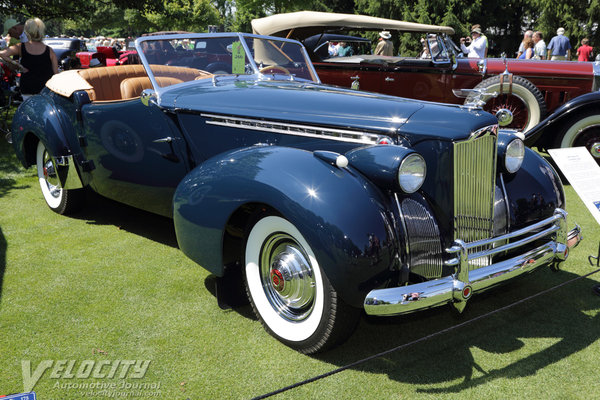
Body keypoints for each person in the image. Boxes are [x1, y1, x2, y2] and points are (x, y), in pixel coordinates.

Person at [0, 18, 58, 95]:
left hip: (27, 88)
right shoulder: (50, 50)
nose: (10, 35)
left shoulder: (20, 47)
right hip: (46, 90)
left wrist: (19, 66)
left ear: (26, 31)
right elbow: (56, 74)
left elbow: (2, 53)